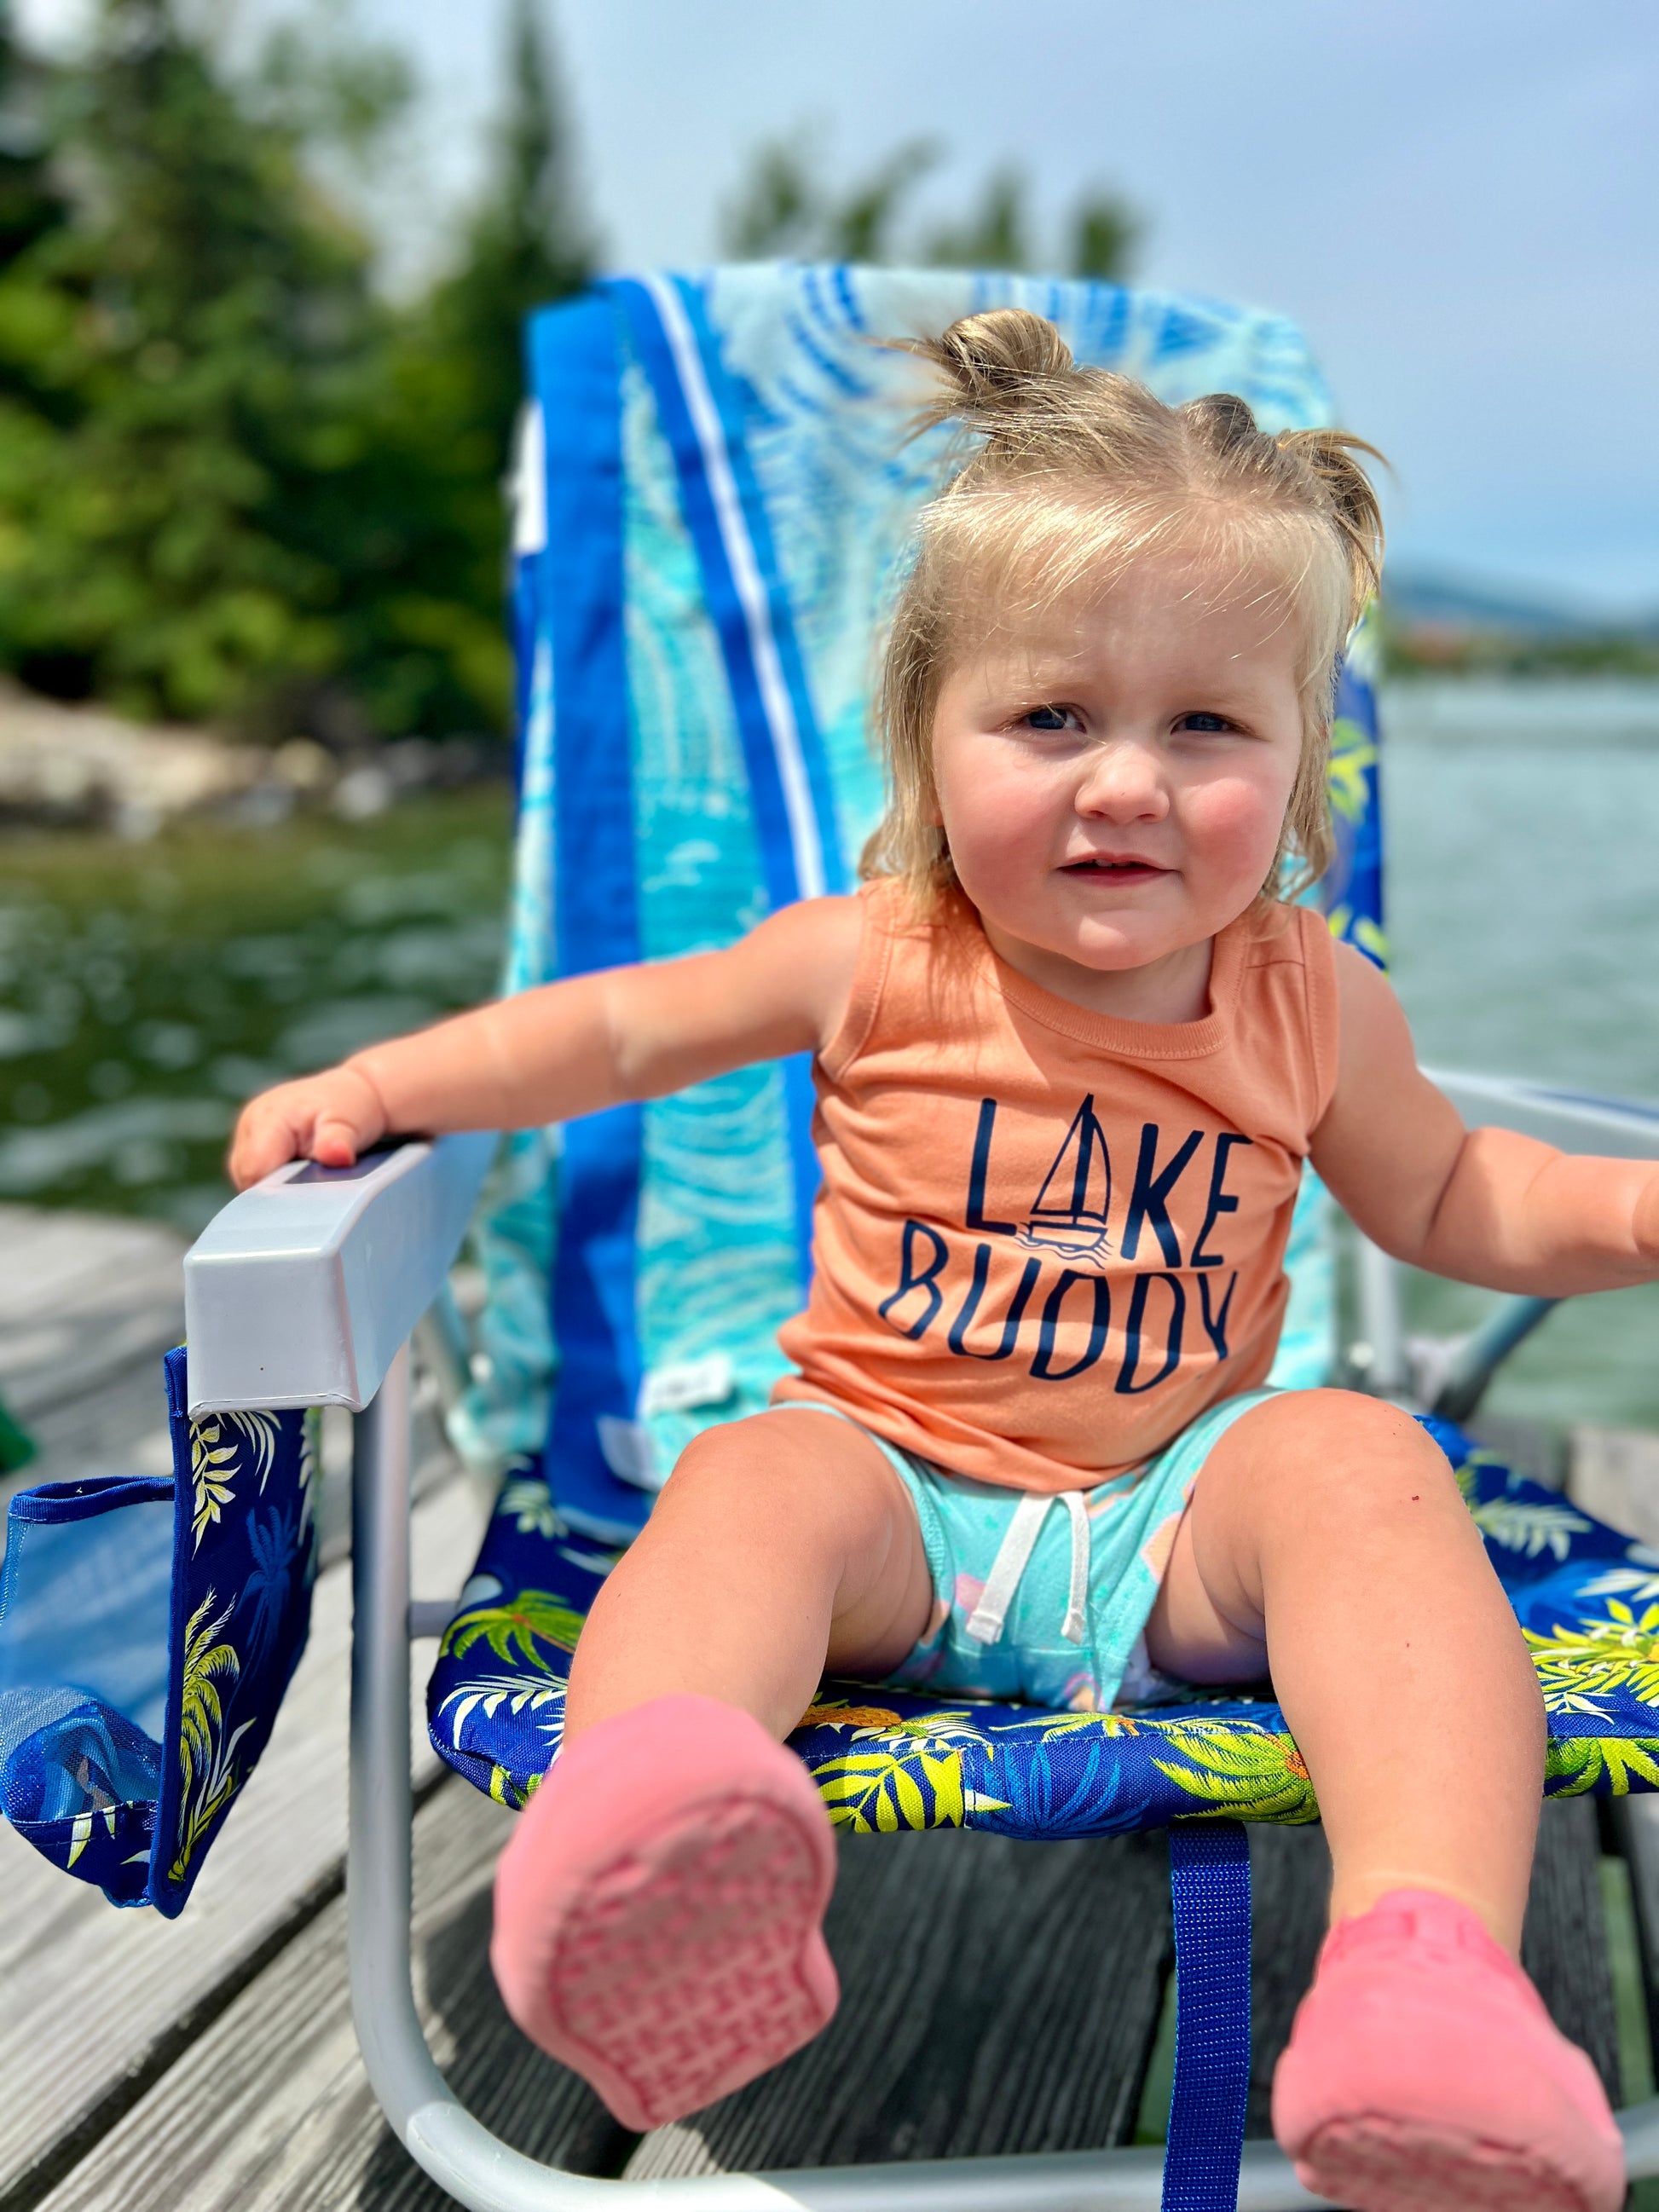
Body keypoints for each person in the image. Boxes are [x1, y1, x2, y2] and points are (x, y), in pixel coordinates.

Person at [229, 310, 1634, 2212]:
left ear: (1301, 763)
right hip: (886, 1493)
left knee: (1358, 1463)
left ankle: (1423, 1973)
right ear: (927, 738)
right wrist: (384, 1088)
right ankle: (651, 1826)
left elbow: (1456, 1194)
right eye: (1051, 719)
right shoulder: (879, 954)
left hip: (1174, 1523)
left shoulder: (1314, 996)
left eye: (1205, 726)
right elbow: (621, 1030)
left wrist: (1628, 1212)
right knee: (747, 1482)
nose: (1124, 782)